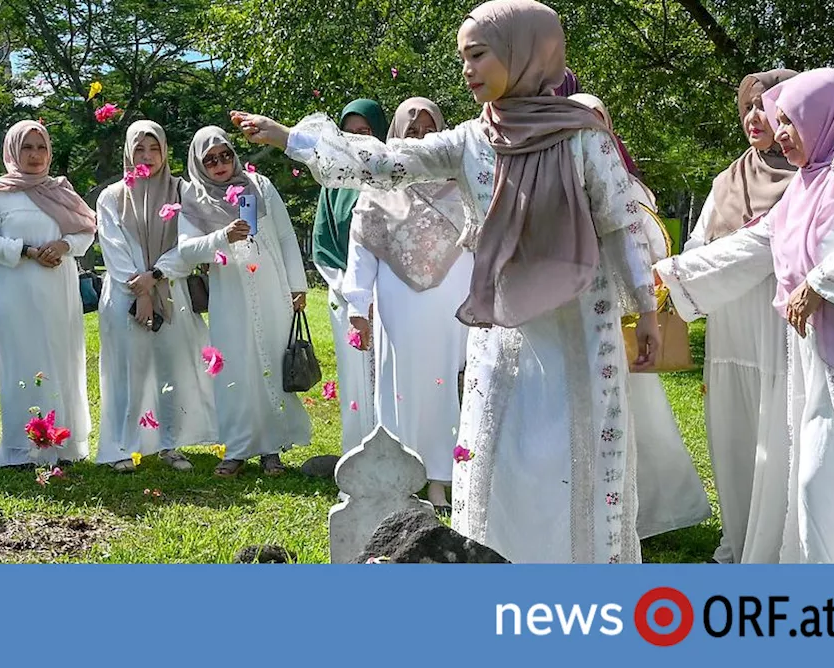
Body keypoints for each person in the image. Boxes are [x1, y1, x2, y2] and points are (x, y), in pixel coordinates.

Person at [232, 0, 661, 563]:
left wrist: (648, 310)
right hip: (505, 330)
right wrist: (293, 138)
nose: (467, 69)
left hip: (581, 326)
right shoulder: (471, 140)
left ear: (523, 51)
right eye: (463, 56)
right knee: (503, 451)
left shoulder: (582, 136)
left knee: (574, 453)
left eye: (479, 54)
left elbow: (620, 225)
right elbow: (388, 162)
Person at [656, 69, 834, 563]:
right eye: (776, 118)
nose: (779, 129)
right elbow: (754, 243)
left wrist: (821, 282)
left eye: (789, 119)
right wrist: (669, 273)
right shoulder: (810, 182)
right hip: (819, 364)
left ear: (823, 113)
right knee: (816, 479)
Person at [569, 93, 711, 540]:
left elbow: (648, 245)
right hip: (569, 309)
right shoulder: (556, 177)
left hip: (618, 309)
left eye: (597, 121)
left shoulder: (630, 186)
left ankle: (642, 507)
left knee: (633, 410)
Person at [678, 69, 798, 563]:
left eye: (765, 106)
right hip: (729, 330)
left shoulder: (811, 175)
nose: (754, 117)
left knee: (777, 431)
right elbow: (696, 243)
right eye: (747, 106)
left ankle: (771, 545)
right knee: (733, 432)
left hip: (776, 327)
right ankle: (737, 537)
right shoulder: (727, 179)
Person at [342, 97, 471, 513]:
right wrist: (357, 307)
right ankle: (402, 479)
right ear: (396, 136)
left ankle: (441, 479)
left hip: (454, 306)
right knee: (399, 390)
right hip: (399, 306)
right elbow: (361, 251)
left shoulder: (463, 184)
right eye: (412, 132)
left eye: (430, 132)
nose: (420, 140)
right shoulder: (378, 187)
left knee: (450, 390)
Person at [179, 126, 312, 477]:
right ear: (198, 163)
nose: (219, 164)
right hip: (230, 292)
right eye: (209, 160)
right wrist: (222, 236)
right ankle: (237, 449)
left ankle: (272, 449)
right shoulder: (194, 197)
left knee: (271, 357)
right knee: (234, 368)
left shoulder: (260, 185)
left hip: (271, 287)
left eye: (224, 155)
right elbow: (185, 249)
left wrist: (297, 286)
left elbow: (284, 235)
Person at [93, 120, 217, 473]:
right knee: (125, 370)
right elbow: (115, 249)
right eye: (139, 149)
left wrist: (156, 277)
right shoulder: (112, 196)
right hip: (123, 294)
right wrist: (140, 289)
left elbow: (189, 245)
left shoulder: (183, 192)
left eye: (154, 148)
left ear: (165, 151)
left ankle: (170, 443)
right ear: (129, 153)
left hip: (171, 291)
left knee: (172, 367)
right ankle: (120, 445)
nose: (147, 157)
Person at [0, 120, 96, 469]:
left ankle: (61, 445)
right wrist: (25, 250)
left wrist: (64, 244)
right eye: (27, 147)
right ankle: (21, 448)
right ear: (13, 151)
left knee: (61, 361)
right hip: (16, 294)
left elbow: (87, 231)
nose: (35, 155)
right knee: (21, 364)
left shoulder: (61, 191)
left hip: (58, 293)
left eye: (41, 147)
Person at [313, 100, 385, 455]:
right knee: (356, 375)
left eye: (365, 132)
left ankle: (396, 452)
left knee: (387, 376)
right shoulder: (334, 182)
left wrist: (376, 291)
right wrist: (351, 291)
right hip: (346, 297)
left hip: (389, 296)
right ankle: (357, 451)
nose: (357, 140)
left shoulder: (392, 177)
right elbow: (323, 244)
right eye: (350, 133)